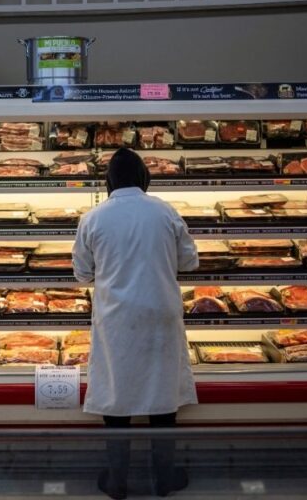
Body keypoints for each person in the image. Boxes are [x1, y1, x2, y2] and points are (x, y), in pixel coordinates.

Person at [72, 148, 199, 499]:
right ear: (145, 177)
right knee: (163, 396)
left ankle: (117, 482)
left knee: (116, 398)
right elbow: (189, 263)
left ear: (108, 181)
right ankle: (163, 479)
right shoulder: (164, 211)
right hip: (159, 313)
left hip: (117, 319)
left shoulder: (93, 218)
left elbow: (83, 274)